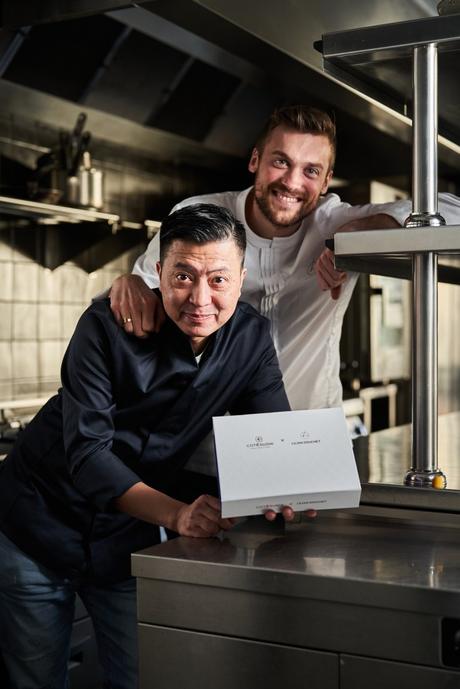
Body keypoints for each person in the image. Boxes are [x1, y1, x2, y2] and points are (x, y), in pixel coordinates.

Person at [0, 204, 309, 689]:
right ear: (159, 272)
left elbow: (271, 439)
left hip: (126, 537)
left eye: (219, 280)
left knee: (149, 674)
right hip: (37, 524)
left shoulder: (251, 339)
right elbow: (90, 456)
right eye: (183, 276)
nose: (200, 299)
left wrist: (290, 488)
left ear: (242, 278)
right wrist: (178, 515)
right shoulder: (105, 325)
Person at [109, 104, 460, 411]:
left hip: (313, 434)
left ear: (325, 182)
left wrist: (361, 230)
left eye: (310, 171)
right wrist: (130, 283)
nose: (292, 182)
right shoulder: (200, 215)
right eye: (281, 161)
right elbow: (142, 292)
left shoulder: (336, 222)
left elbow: (452, 211)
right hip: (206, 438)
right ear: (255, 160)